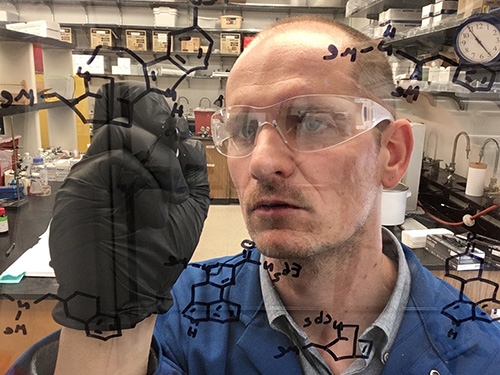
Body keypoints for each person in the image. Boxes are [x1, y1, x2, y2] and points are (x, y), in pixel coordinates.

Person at [9, 16, 500, 375]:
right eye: (244, 128)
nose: (263, 162)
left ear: (391, 154)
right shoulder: (175, 317)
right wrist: (107, 322)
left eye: (311, 121)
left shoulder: (479, 352)